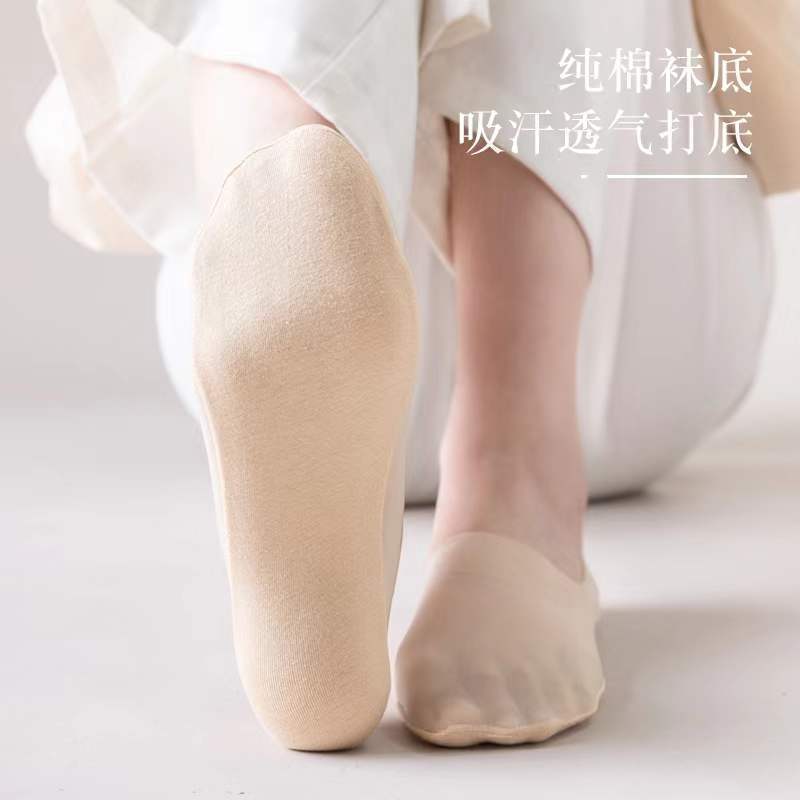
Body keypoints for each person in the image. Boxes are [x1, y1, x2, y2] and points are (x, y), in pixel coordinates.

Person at [28, 0, 774, 749]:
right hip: (624, 348)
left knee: (272, 101)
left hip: (228, 298)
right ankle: (513, 477)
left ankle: (276, 184)